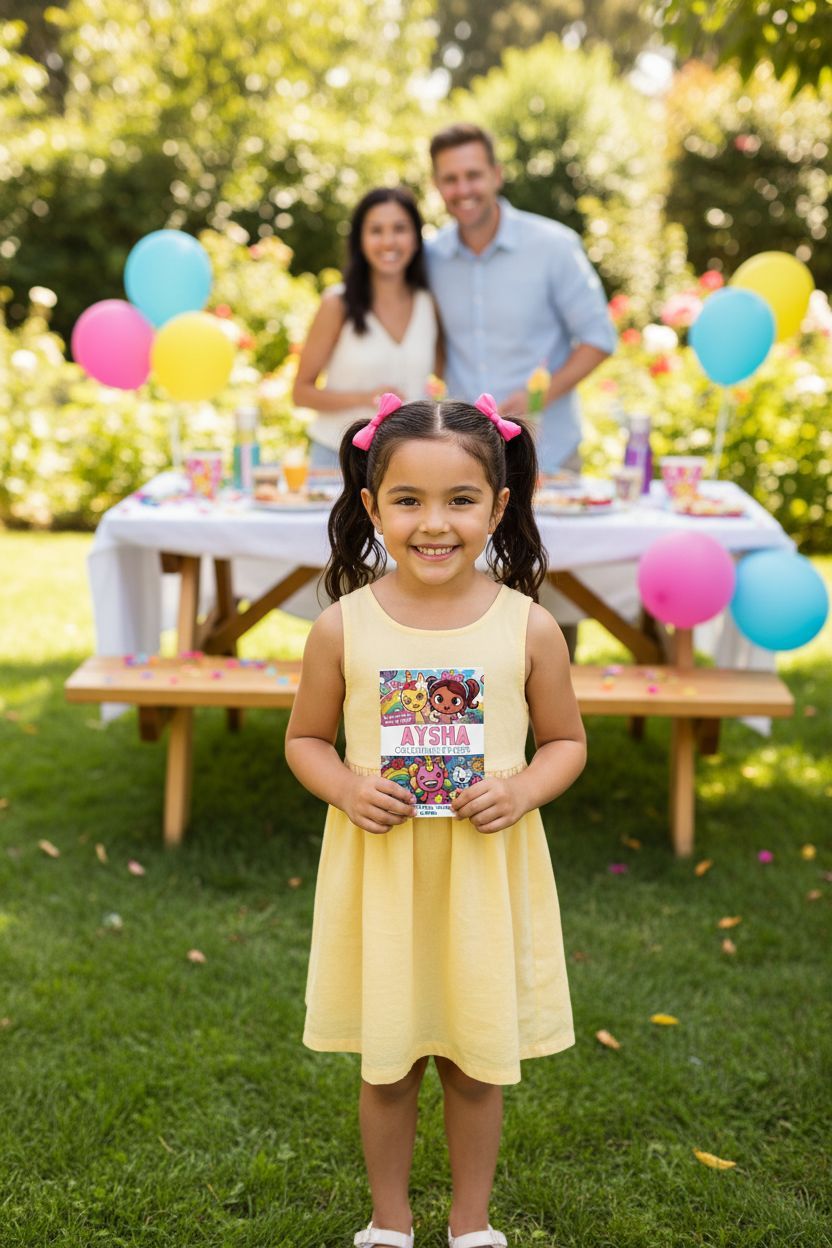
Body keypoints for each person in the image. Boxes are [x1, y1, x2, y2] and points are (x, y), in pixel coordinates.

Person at [285, 393, 587, 1248]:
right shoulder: (342, 628)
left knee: (473, 1056)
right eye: (409, 500)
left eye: (460, 500)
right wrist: (344, 785)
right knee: (388, 1062)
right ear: (373, 506)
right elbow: (306, 739)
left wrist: (522, 789)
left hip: (479, 875)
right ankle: (388, 1224)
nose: (434, 523)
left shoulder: (530, 628)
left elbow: (565, 743)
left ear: (498, 506)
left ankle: (471, 1225)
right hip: (384, 875)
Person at [426, 122, 616, 474]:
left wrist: (535, 399)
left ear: (497, 175)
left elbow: (598, 338)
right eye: (450, 179)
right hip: (464, 459)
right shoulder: (429, 257)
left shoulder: (554, 246)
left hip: (547, 454)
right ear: (437, 185)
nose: (463, 188)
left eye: (473, 175)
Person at [293, 187, 441, 468]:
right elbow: (301, 392)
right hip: (338, 459)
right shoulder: (337, 304)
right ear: (360, 240)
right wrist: (368, 399)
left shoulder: (428, 304)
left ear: (416, 237)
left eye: (399, 229)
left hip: (406, 462)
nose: (388, 241)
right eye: (376, 230)